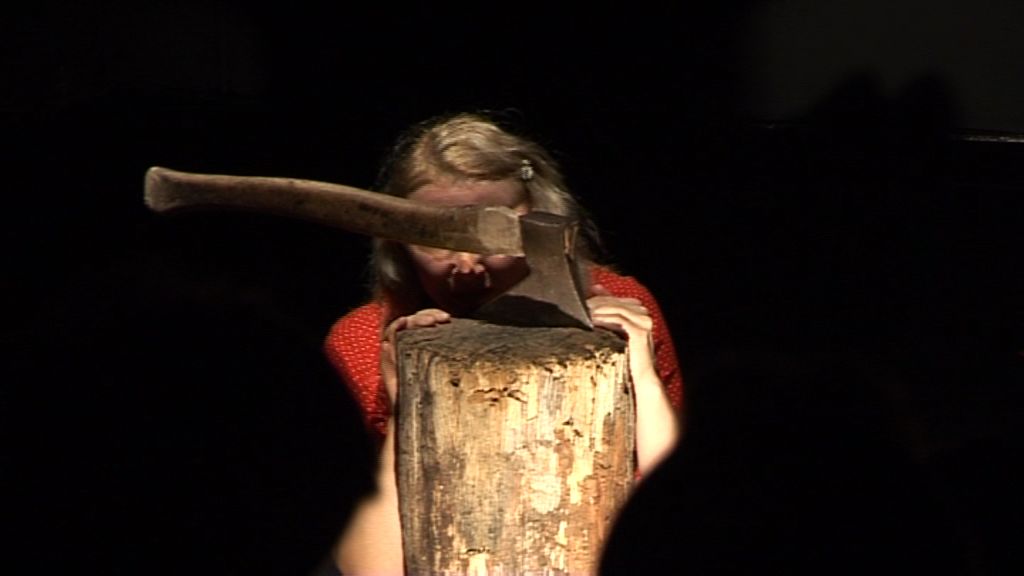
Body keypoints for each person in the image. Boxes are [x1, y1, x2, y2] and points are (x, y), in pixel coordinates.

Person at [321, 111, 684, 575]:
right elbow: (370, 567)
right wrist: (403, 408)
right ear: (396, 242)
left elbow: (675, 518)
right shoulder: (361, 342)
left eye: (493, 235)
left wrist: (642, 378)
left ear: (541, 220)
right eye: (434, 240)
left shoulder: (622, 309)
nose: (467, 266)